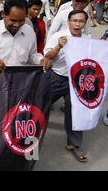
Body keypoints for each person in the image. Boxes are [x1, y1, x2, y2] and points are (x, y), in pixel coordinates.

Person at [43, 10, 91, 162]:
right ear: (69, 21)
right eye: (74, 20)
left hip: (76, 81)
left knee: (76, 113)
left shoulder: (87, 39)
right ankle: (26, 138)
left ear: (85, 23)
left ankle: (74, 144)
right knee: (40, 105)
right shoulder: (58, 36)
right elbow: (47, 56)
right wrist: (58, 47)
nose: (77, 24)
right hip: (56, 77)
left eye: (81, 21)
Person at [0, 0, 50, 71]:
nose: (17, 25)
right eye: (13, 20)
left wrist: (41, 60)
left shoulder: (29, 31)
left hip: (20, 79)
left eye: (21, 21)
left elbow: (32, 55)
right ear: (3, 14)